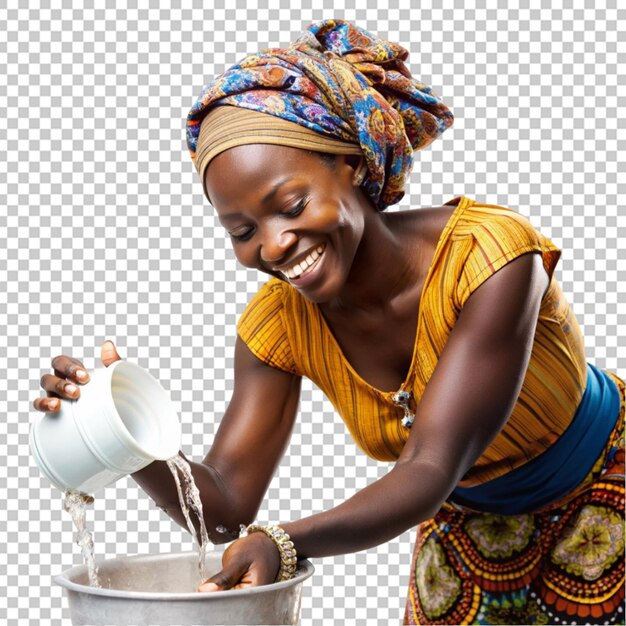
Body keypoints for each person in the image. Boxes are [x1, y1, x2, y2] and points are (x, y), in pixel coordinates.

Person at [33, 19, 624, 625]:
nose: (274, 244)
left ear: (352, 163)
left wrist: (284, 541)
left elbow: (428, 465)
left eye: (290, 206)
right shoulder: (279, 327)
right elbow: (226, 505)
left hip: (608, 488)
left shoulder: (490, 260)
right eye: (241, 231)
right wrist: (122, 430)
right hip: (463, 528)